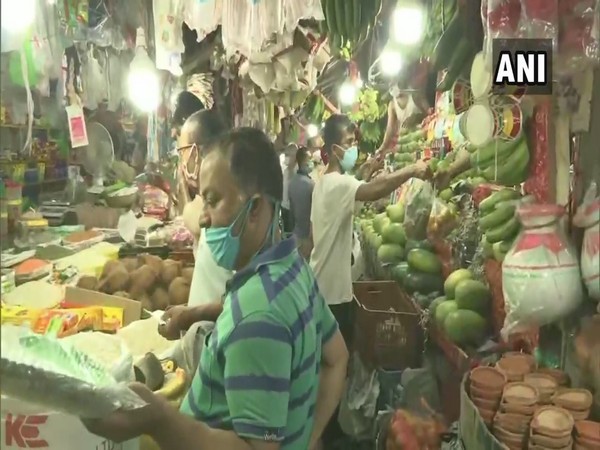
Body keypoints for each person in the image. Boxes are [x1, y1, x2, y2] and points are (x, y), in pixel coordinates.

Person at [84, 128, 349, 450]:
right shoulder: (293, 270)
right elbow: (337, 359)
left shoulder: (257, 316)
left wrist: (159, 419)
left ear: (254, 209)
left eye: (213, 200)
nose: (204, 218)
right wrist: (309, 437)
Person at [309, 114, 430, 445]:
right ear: (333, 150)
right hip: (332, 296)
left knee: (329, 366)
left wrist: (371, 164)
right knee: (336, 367)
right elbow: (373, 189)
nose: (353, 149)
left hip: (322, 287)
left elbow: (359, 181)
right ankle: (326, 435)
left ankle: (324, 430)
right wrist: (411, 170)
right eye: (348, 144)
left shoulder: (325, 181)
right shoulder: (338, 185)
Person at [159, 110, 232, 340]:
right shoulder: (212, 205)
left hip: (223, 347)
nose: (181, 162)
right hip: (205, 348)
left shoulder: (231, 211)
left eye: (182, 153)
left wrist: (190, 316)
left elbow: (247, 304)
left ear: (196, 152)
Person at [288, 146, 315, 259]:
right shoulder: (310, 185)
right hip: (307, 238)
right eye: (310, 159)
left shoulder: (292, 182)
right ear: (304, 161)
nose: (312, 162)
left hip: (296, 235)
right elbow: (313, 215)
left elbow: (292, 212)